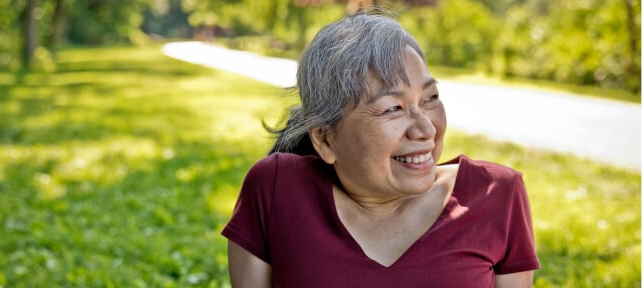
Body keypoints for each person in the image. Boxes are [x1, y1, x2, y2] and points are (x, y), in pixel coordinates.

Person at [222, 12, 540, 287]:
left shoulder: (497, 194)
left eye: (430, 99)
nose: (426, 129)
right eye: (392, 109)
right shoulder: (276, 189)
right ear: (325, 139)